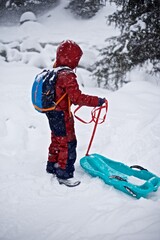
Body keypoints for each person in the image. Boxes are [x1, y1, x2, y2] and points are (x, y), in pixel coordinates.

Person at [46, 40, 106, 185]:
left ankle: (52, 165)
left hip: (52, 112)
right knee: (68, 142)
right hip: (62, 114)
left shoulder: (54, 71)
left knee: (57, 139)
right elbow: (77, 97)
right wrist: (97, 101)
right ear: (72, 58)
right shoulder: (67, 75)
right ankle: (64, 174)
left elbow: (61, 94)